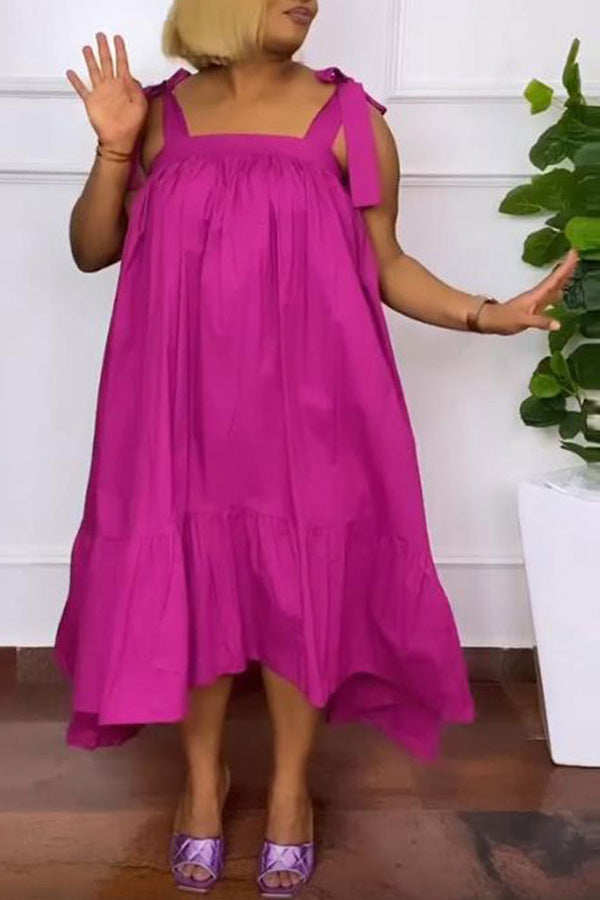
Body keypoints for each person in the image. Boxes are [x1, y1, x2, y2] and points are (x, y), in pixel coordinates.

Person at [54, 0, 579, 896]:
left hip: (309, 406)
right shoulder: (159, 117)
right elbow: (92, 249)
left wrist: (487, 314)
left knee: (299, 590)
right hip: (176, 404)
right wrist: (112, 149)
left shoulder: (352, 120)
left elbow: (388, 264)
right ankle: (202, 783)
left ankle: (292, 789)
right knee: (192, 577)